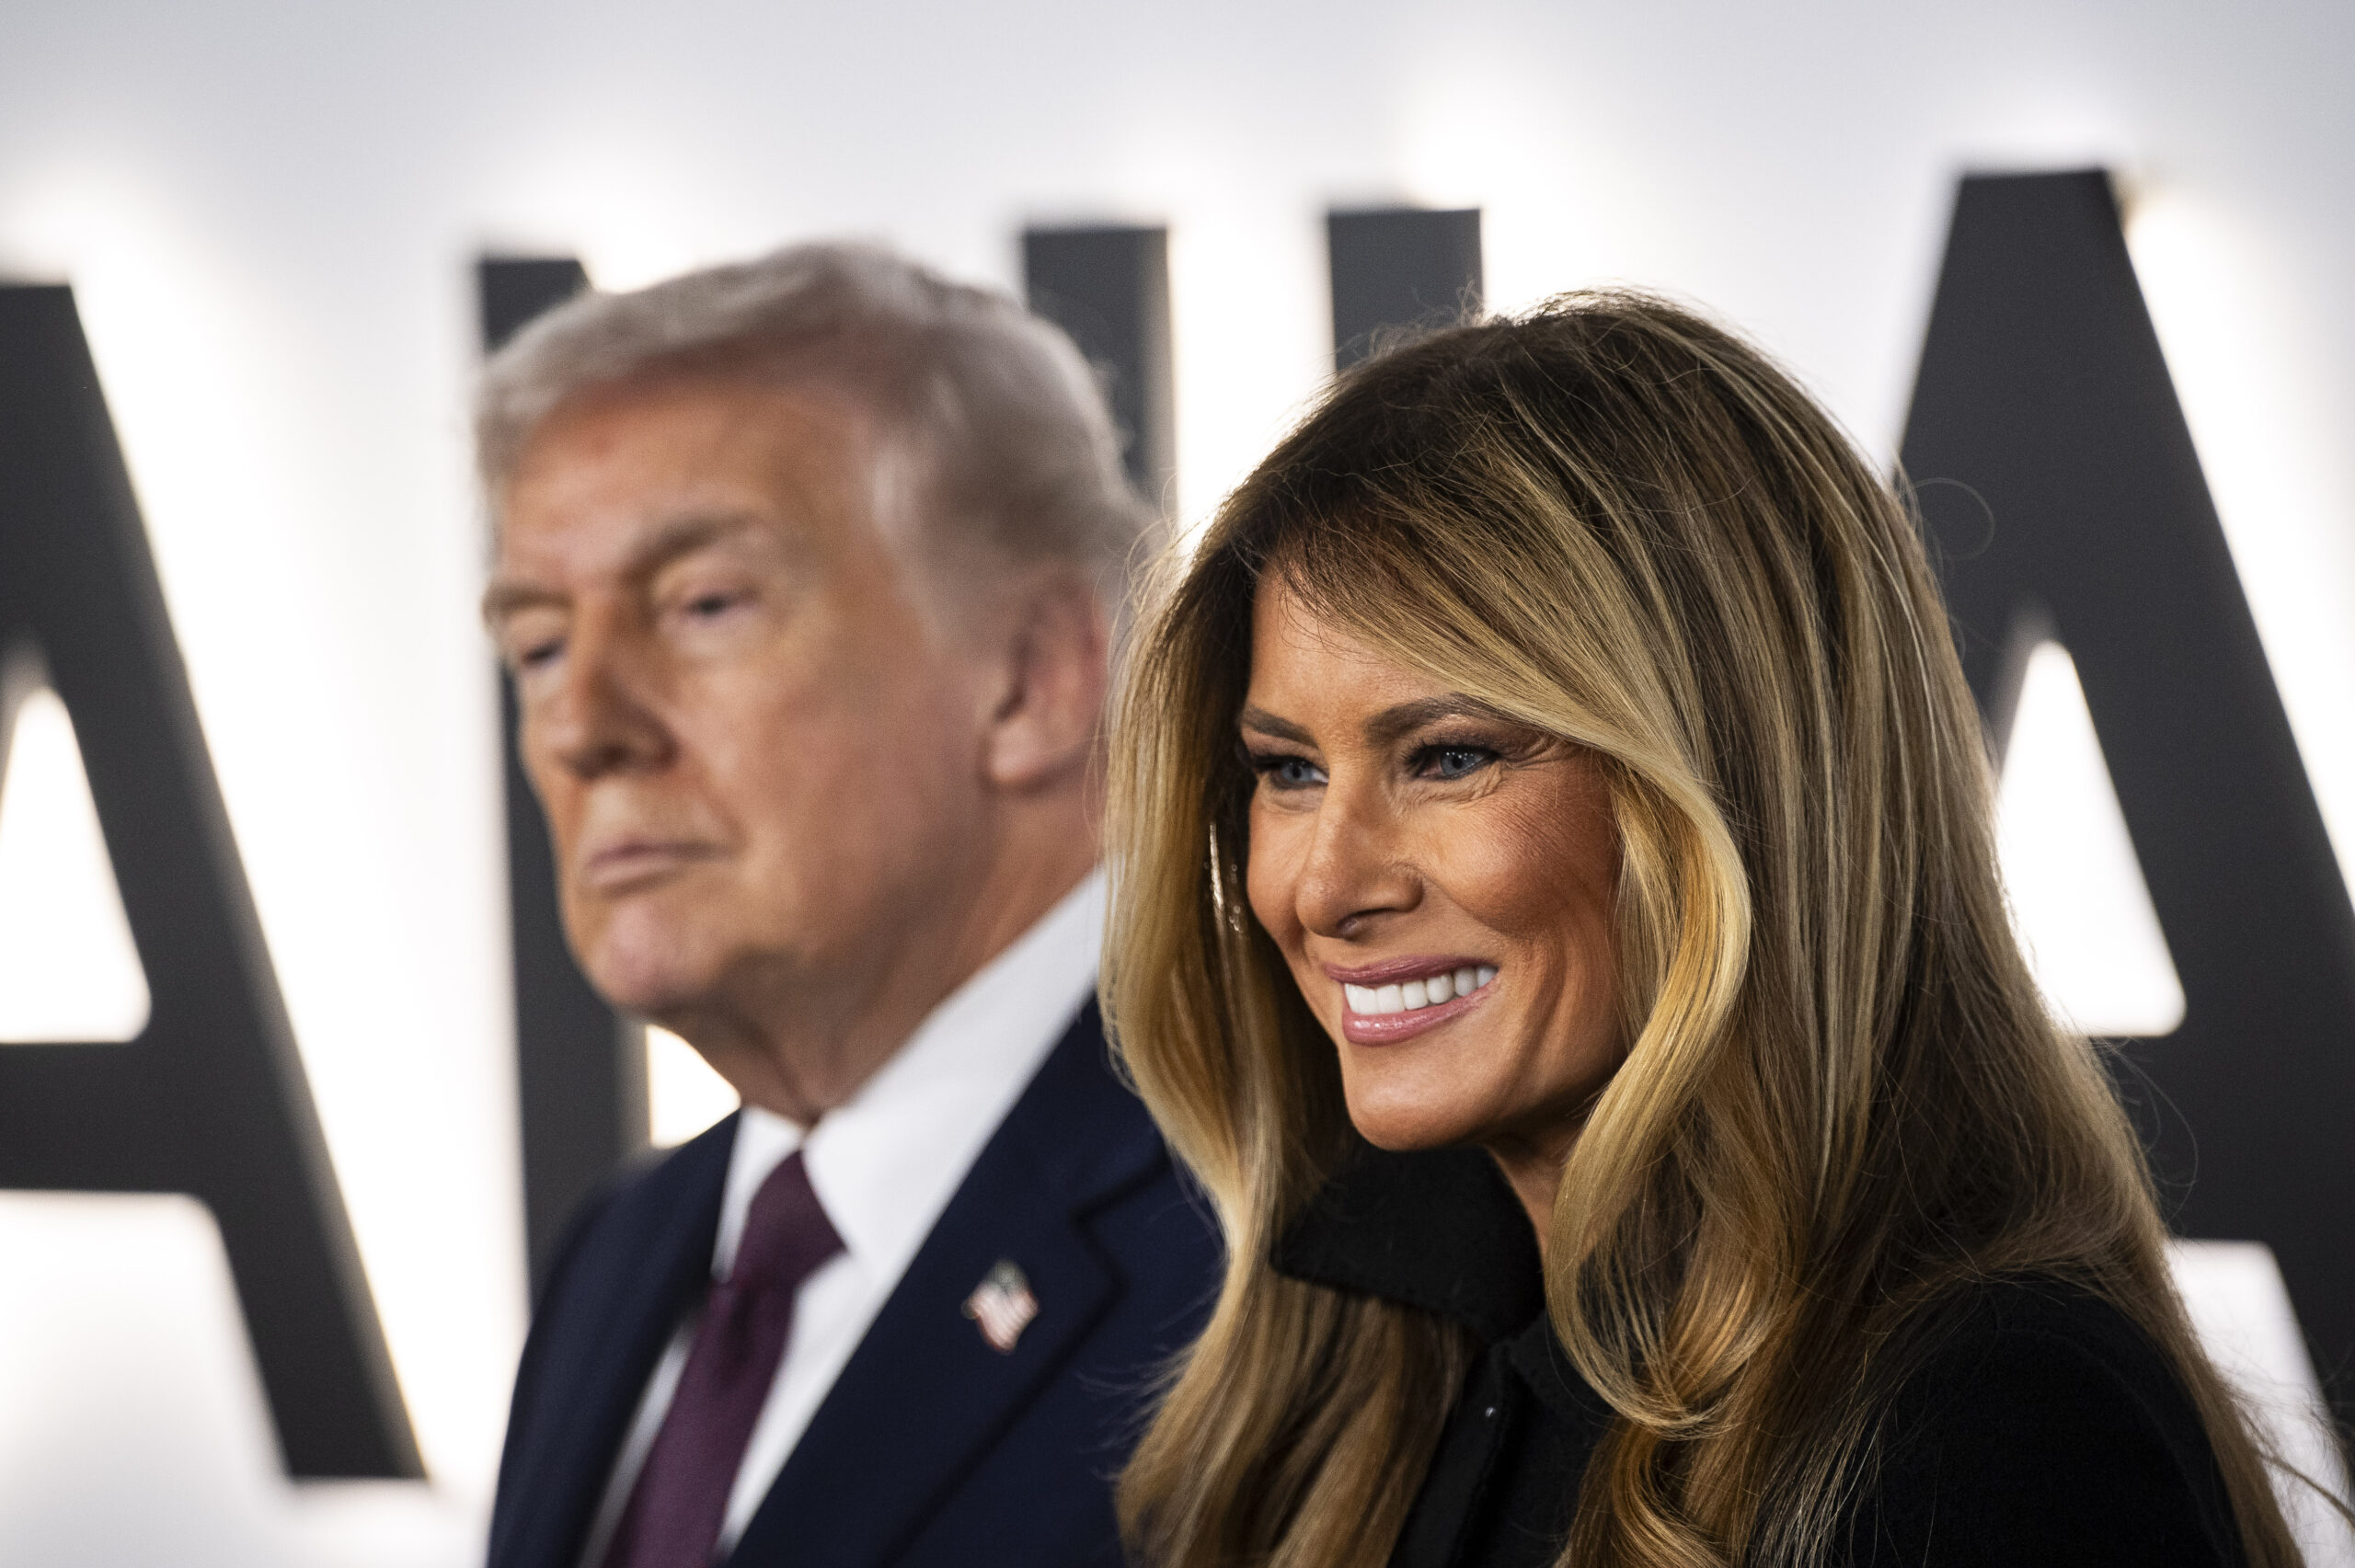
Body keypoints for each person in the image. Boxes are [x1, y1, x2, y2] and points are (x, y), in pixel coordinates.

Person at [1102, 293, 2306, 1567]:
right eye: (1287, 771)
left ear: (1733, 787)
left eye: (1448, 756)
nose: (1322, 883)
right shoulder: (1369, 1377)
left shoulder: (1988, 1431)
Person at [476, 244, 1217, 1568]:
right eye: (537, 643)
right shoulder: (625, 1250)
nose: (580, 724)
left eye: (702, 605)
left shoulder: (1277, 1236)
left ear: (1032, 675)